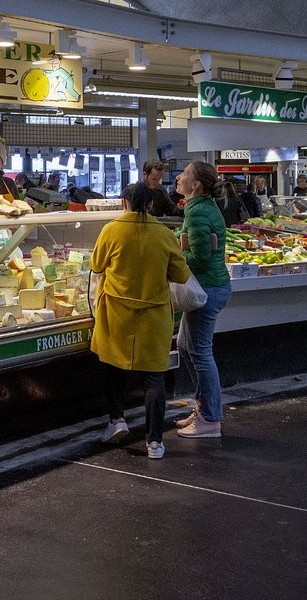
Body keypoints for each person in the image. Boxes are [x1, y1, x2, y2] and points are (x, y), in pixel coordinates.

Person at [91, 182, 191, 459]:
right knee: (154, 379)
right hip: (153, 314)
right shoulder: (163, 233)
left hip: (117, 313)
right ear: (150, 205)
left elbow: (97, 266)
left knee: (114, 369)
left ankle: (116, 421)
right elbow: (181, 276)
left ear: (123, 203)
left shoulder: (111, 229)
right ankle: (155, 442)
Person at [175, 160, 232, 439]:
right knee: (184, 344)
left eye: (184, 174)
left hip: (207, 289)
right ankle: (204, 407)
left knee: (200, 352)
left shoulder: (197, 213)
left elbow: (198, 259)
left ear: (195, 185)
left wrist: (172, 255)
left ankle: (210, 418)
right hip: (212, 287)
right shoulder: (201, 208)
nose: (178, 177)